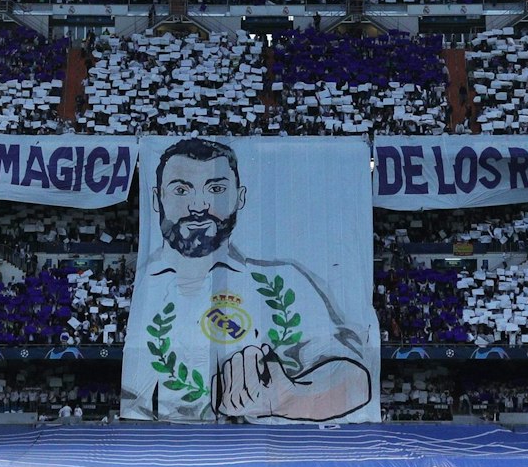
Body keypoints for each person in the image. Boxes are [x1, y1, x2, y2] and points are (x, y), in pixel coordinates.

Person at [121, 137, 375, 422]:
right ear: (157, 198)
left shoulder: (282, 282)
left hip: (249, 444)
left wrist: (292, 398)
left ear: (239, 197)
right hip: (157, 445)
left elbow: (353, 377)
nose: (199, 206)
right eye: (181, 190)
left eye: (216, 189)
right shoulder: (136, 290)